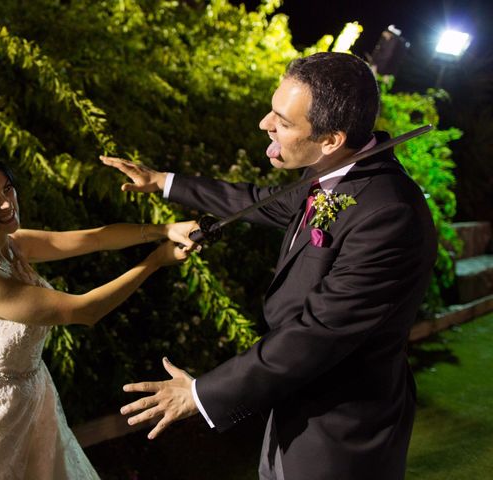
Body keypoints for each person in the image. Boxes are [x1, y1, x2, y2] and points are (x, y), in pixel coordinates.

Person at [100, 52, 437, 480]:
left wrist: (202, 394)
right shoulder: (337, 174)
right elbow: (260, 201)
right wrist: (165, 182)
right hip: (290, 405)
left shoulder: (389, 214)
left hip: (340, 432)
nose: (264, 123)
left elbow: (317, 334)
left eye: (283, 119)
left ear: (331, 138)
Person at [0, 147, 198, 479]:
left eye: (8, 188)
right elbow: (84, 311)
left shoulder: (8, 243)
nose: (6, 203)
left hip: (32, 401)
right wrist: (156, 261)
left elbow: (92, 239)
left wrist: (165, 229)